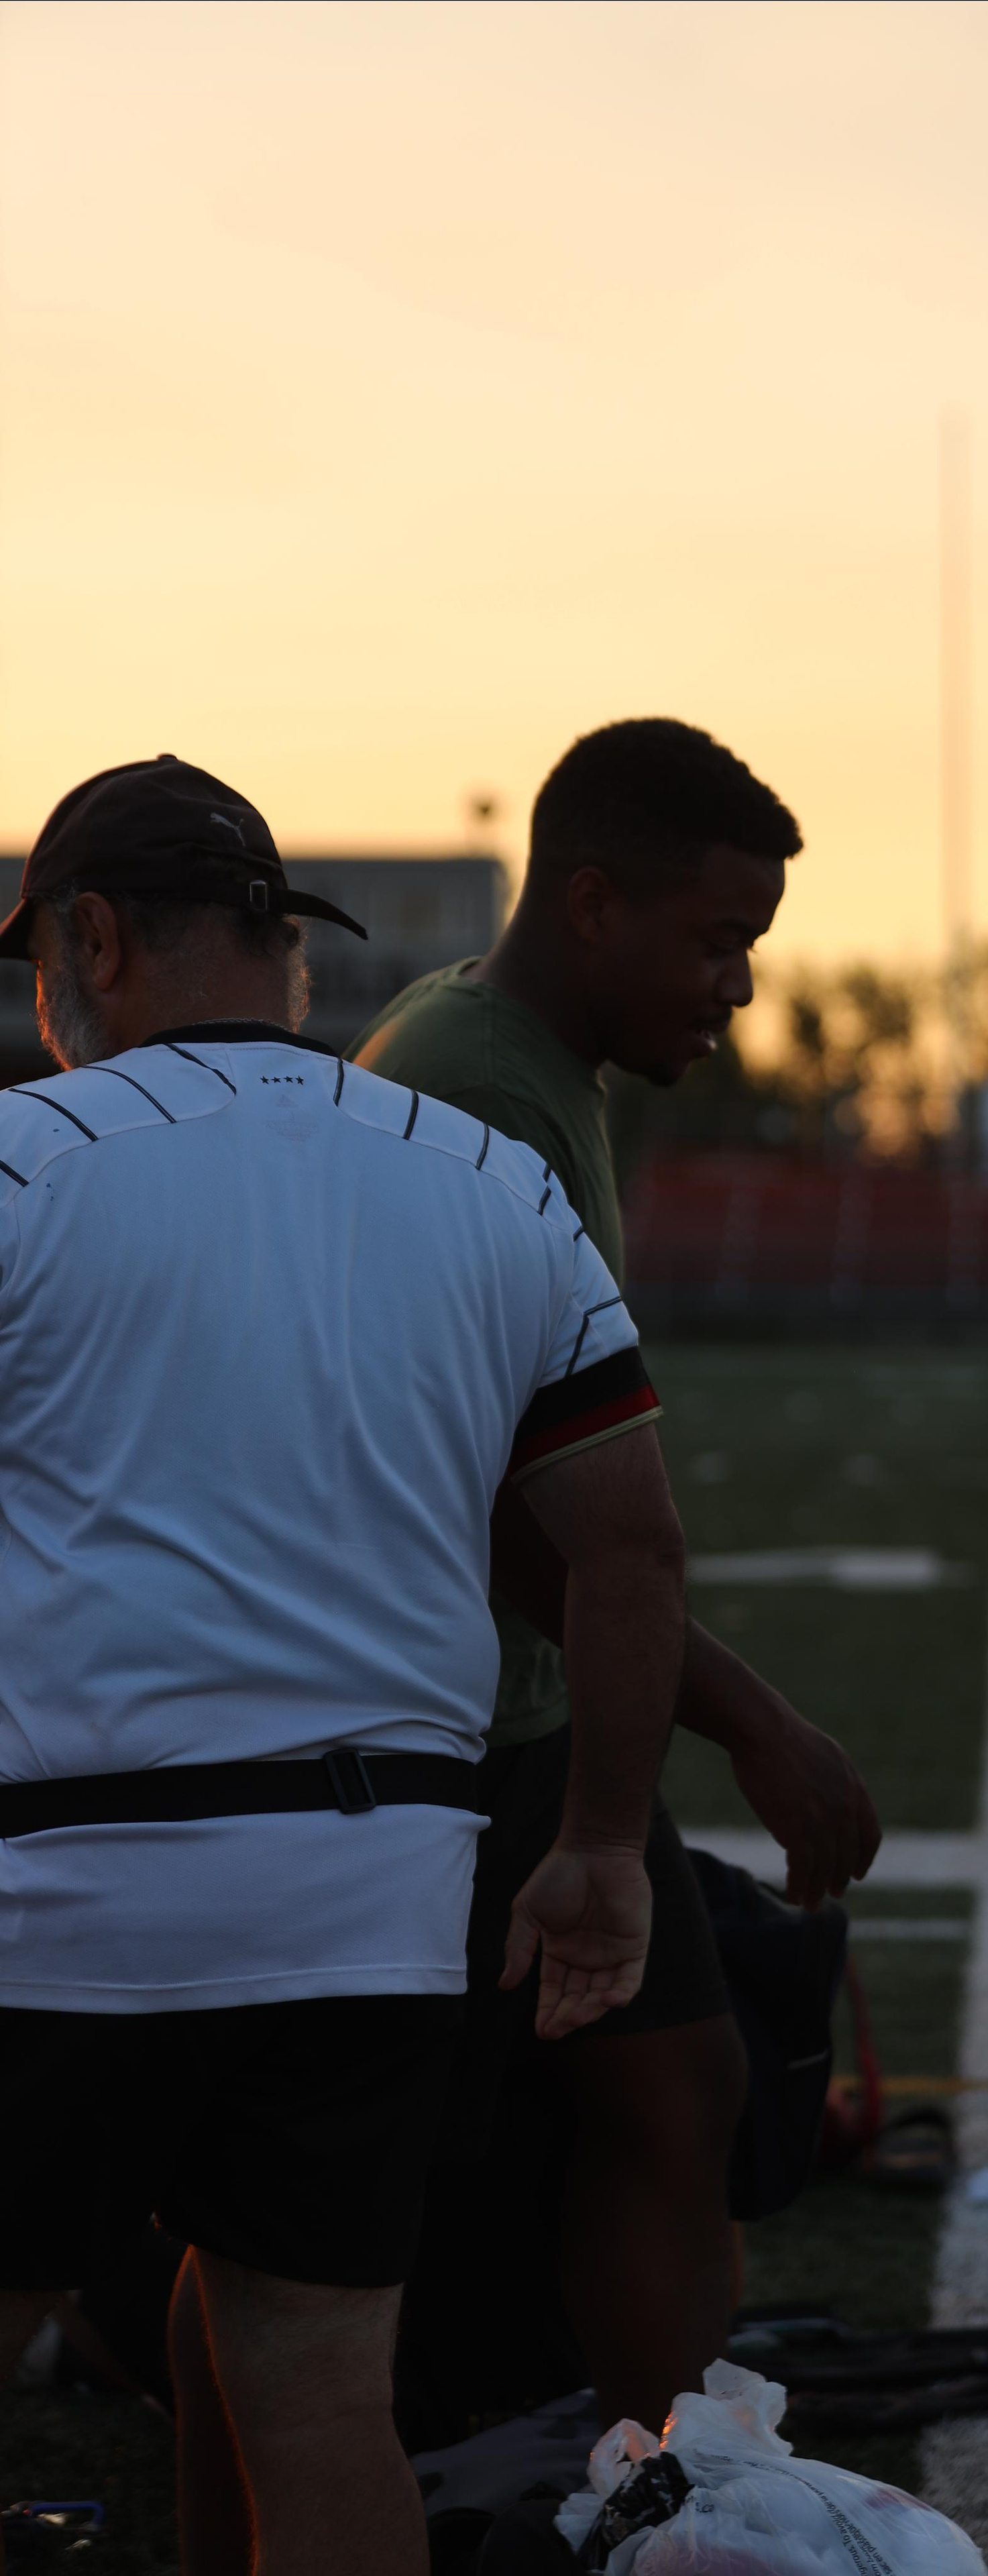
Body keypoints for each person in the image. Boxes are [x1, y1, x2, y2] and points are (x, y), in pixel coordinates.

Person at [0, 756, 686, 2576]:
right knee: (317, 2400)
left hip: (61, 1889)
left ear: (91, 940)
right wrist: (601, 1840)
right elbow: (627, 1548)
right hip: (378, 1890)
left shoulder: (23, 1164)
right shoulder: (483, 1173)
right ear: (284, 945)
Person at [351, 718, 881, 2428]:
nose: (739, 986)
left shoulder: (511, 1053)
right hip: (465, 1717)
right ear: (592, 903)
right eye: (717, 940)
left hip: (509, 1697)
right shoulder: (480, 1087)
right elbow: (514, 1510)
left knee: (673, 2086)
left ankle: (645, 2460)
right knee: (608, 2106)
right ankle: (652, 2479)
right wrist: (756, 1723)